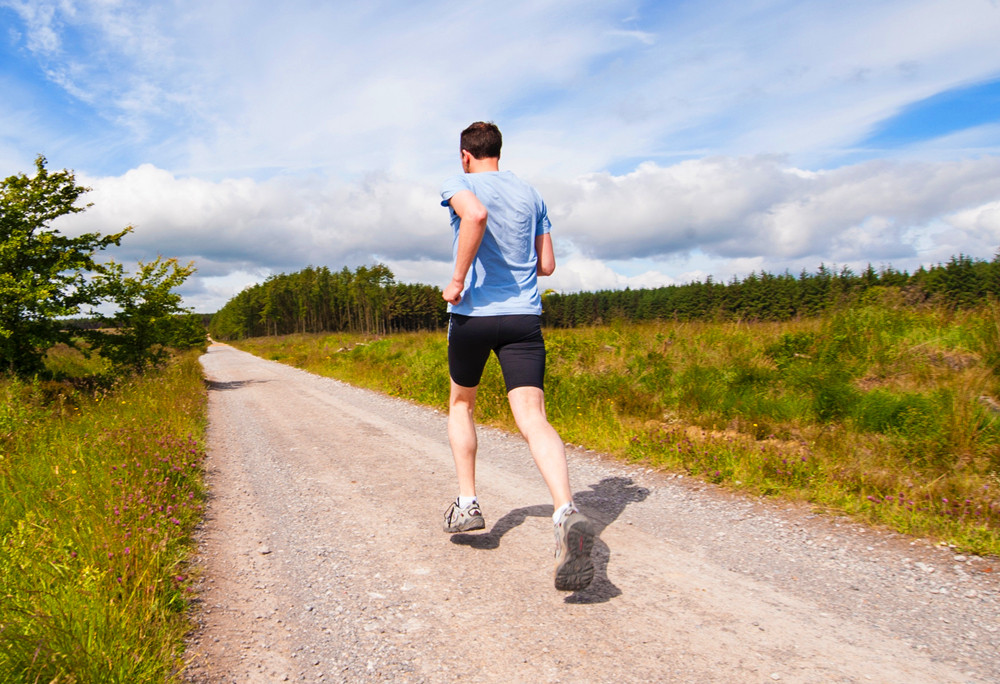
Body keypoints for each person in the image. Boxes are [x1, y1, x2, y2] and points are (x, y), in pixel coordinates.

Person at [439, 121, 594, 592]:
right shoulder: (531, 194)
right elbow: (546, 265)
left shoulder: (459, 184)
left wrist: (458, 279)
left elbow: (476, 216)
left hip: (473, 316)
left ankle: (468, 504)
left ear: (466, 155)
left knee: (462, 403)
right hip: (524, 318)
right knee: (533, 417)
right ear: (498, 152)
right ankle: (565, 509)